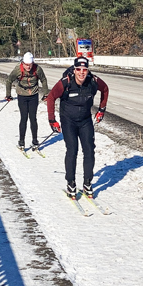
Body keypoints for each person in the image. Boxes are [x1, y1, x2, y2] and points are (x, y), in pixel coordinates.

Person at [46, 56, 109, 199]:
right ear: (74, 70)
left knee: (89, 149)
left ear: (87, 70)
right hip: (68, 120)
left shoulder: (93, 81)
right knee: (72, 149)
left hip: (85, 120)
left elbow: (105, 89)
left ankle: (87, 182)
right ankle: (71, 183)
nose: (81, 73)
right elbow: (51, 98)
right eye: (78, 69)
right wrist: (52, 120)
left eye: (84, 70)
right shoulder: (66, 82)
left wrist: (102, 109)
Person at [5, 52, 49, 150]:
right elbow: (9, 81)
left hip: (33, 95)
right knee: (24, 118)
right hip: (22, 95)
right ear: (23, 63)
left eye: (30, 65)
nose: (28, 67)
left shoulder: (37, 69)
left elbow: (44, 80)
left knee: (33, 118)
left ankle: (35, 140)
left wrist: (46, 93)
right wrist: (8, 95)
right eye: (26, 65)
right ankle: (21, 142)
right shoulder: (18, 70)